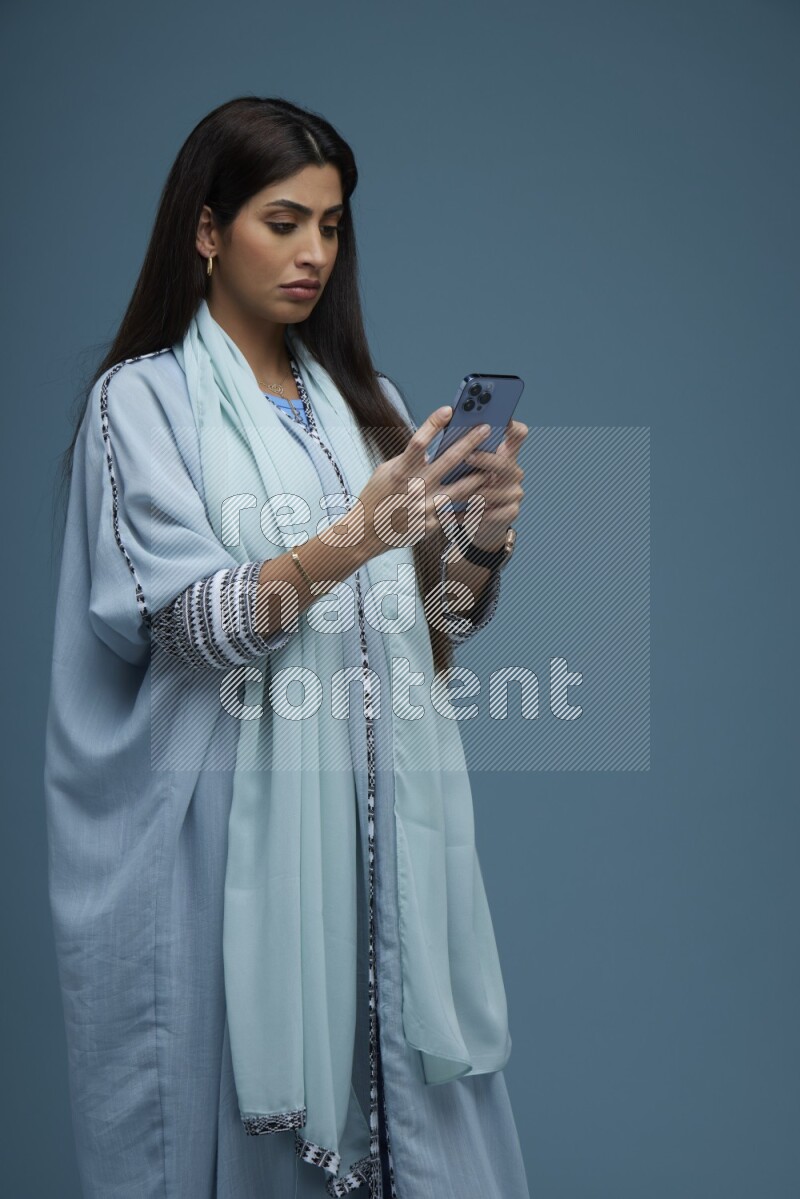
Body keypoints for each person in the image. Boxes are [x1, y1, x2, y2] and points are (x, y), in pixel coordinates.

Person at [44, 95, 530, 1199]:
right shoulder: (145, 402)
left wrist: (485, 537)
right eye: (283, 221)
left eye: (331, 225)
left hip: (383, 852)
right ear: (207, 230)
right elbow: (191, 624)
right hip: (227, 858)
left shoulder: (367, 403)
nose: (314, 251)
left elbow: (434, 637)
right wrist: (359, 533)